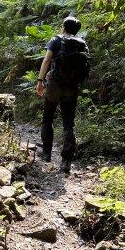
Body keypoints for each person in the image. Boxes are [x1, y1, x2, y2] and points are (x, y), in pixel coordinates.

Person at [36, 16, 89, 172]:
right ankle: (66, 162)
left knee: (47, 117)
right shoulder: (82, 44)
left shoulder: (56, 40)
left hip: (54, 85)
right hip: (72, 87)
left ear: (63, 27)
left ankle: (46, 154)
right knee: (68, 123)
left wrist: (40, 80)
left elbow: (46, 60)